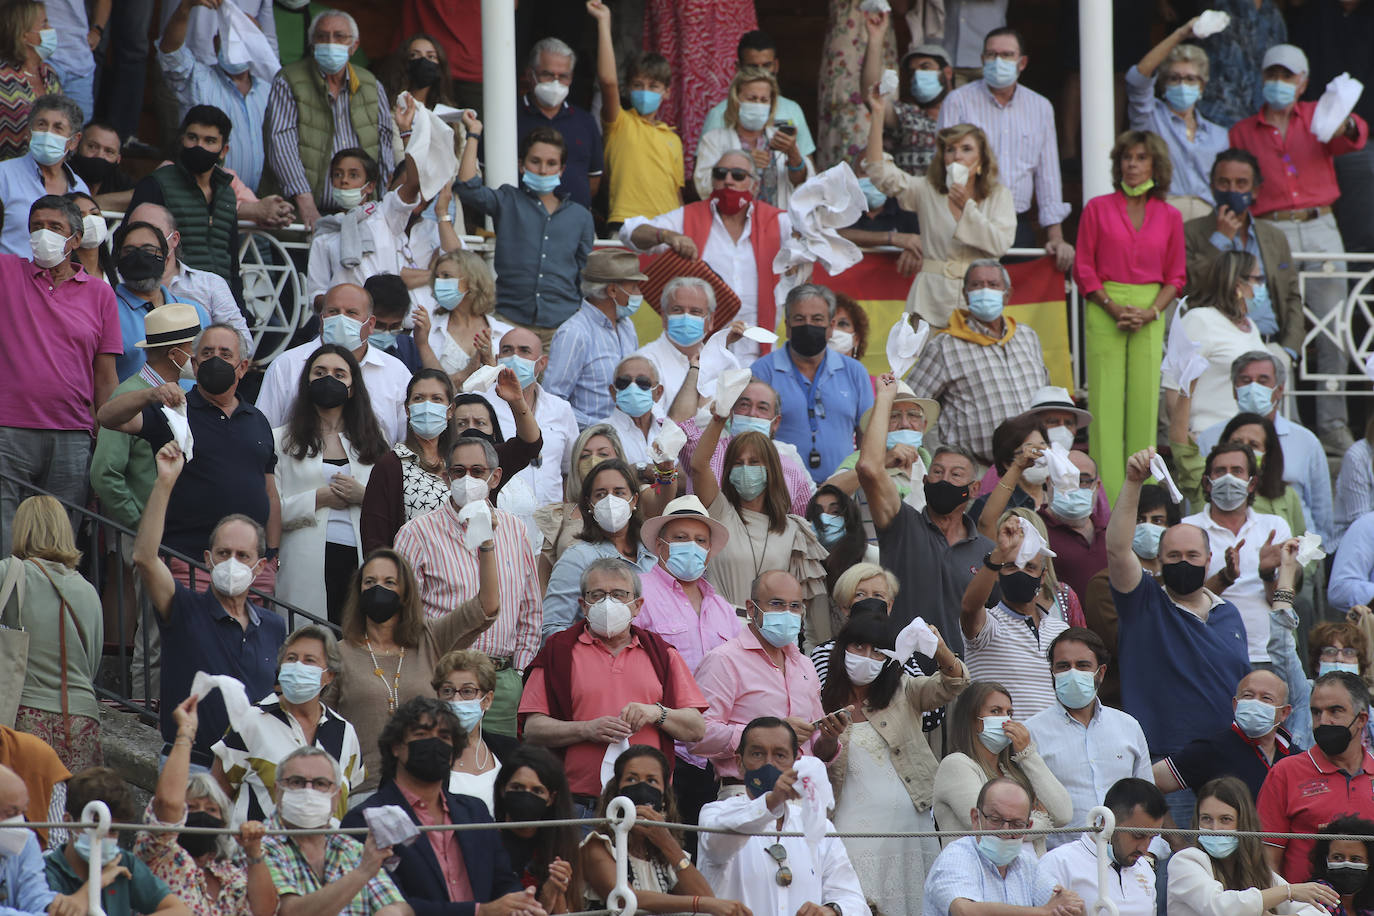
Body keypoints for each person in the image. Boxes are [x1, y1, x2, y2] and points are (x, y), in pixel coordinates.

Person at [1230, 42, 1368, 453]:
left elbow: (1355, 134)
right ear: (1262, 78)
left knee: (1334, 328)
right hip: (1269, 230)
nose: (1279, 82)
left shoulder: (1318, 115)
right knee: (1274, 324)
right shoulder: (1242, 130)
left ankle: (1332, 427)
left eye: (1287, 76)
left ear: (1302, 81)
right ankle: (1276, 424)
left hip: (1321, 223)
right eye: (1272, 74)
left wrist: (1341, 120)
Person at [132, 442, 286, 767]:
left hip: (250, 771)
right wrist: (164, 483)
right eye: (223, 553)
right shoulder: (184, 609)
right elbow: (145, 558)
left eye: (243, 556)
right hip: (191, 765)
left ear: (259, 567)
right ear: (208, 560)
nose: (232, 562)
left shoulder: (273, 626)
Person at [98, 323, 280, 595]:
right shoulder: (173, 411)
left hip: (248, 566)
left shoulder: (257, 420)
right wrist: (150, 394)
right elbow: (108, 417)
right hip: (184, 562)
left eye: (225, 354)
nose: (215, 360)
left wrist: (273, 555)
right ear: (194, 365)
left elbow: (269, 491)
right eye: (207, 353)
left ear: (242, 367)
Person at [520, 559, 706, 814]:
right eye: (597, 595)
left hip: (648, 804)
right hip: (576, 803)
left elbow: (696, 728)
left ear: (638, 605)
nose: (608, 603)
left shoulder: (661, 654)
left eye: (619, 595)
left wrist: (656, 713)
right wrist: (586, 729)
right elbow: (532, 729)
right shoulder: (557, 651)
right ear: (583, 606)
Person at [1108, 448, 1255, 764]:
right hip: (1166, 761)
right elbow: (1118, 550)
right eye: (1174, 557)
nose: (1183, 562)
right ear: (1159, 561)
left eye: (1192, 556)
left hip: (1227, 760)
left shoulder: (1228, 613)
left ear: (1208, 560)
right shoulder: (1144, 605)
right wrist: (1134, 481)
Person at [394, 435, 542, 738]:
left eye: (477, 471)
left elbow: (530, 610)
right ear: (447, 477)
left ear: (495, 476)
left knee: (498, 773)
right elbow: (403, 617)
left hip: (503, 684)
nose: (467, 479)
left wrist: (519, 673)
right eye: (459, 472)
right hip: (442, 681)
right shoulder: (417, 533)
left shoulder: (515, 529)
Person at [823, 610, 969, 914]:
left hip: (909, 824)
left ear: (890, 656)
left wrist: (939, 647)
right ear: (842, 649)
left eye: (877, 650)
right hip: (851, 827)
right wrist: (828, 737)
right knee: (857, 902)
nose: (867, 657)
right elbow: (818, 760)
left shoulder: (905, 689)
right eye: (858, 647)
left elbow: (953, 684)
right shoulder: (821, 699)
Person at [340, 698, 539, 916]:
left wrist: (520, 903)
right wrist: (479, 912)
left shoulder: (475, 811)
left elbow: (503, 880)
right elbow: (387, 903)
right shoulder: (365, 818)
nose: (434, 743)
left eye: (444, 737)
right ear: (396, 747)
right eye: (422, 734)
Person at [325, 548, 495, 800]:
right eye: (369, 582)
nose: (377, 589)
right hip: (365, 792)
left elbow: (487, 606)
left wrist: (486, 545)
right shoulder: (339, 654)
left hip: (428, 789)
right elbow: (321, 723)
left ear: (405, 593)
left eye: (389, 582)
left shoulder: (431, 638)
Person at [0, 192, 117, 553]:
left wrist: (107, 441)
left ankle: (48, 612)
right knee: (4, 549)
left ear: (76, 239)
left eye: (54, 227)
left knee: (57, 548)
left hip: (73, 434)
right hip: (9, 431)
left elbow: (105, 376)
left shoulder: (100, 294)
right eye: (36, 227)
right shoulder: (6, 274)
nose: (43, 234)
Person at [1074, 129, 1185, 500]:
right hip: (1106, 306)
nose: (1132, 164)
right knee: (1104, 401)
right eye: (1127, 158)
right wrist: (1110, 305)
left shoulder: (1169, 215)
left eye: (1140, 158)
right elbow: (1083, 266)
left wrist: (1152, 311)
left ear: (1156, 164)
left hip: (1150, 310)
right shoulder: (1097, 208)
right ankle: (1102, 495)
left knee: (1144, 400)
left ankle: (1144, 495)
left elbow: (1176, 275)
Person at [630, 494, 738, 833]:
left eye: (700, 540)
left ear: (709, 550)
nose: (691, 546)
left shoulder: (723, 608)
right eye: (680, 538)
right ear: (660, 546)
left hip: (713, 759)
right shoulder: (640, 593)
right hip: (663, 749)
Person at [857, 378, 992, 644]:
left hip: (964, 675)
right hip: (905, 673)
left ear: (974, 489)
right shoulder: (902, 525)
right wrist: (884, 397)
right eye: (938, 472)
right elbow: (869, 469)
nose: (944, 480)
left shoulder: (986, 551)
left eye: (956, 475)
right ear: (925, 480)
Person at [864, 91, 1015, 328]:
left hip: (979, 301)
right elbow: (878, 172)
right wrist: (878, 113)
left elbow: (1000, 244)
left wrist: (967, 208)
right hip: (929, 302)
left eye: (966, 149)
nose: (957, 157)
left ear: (981, 160)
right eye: (950, 150)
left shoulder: (999, 195)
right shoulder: (927, 189)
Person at [622, 151, 792, 362]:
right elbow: (630, 232)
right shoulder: (688, 217)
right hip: (699, 359)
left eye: (738, 175)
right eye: (720, 174)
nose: (728, 180)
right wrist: (666, 235)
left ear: (754, 185)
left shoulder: (777, 221)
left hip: (759, 358)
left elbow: (816, 234)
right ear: (712, 180)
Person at [697, 717, 870, 916]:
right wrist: (771, 801)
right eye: (757, 753)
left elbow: (853, 899)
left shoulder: (818, 826)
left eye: (780, 755)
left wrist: (831, 911)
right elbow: (717, 845)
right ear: (739, 763)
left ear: (795, 763)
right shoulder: (715, 812)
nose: (768, 764)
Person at [362, 369, 542, 553]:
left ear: (450, 411)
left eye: (436, 399)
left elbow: (529, 446)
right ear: (407, 409)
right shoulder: (391, 465)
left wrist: (517, 401)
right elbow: (375, 541)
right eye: (418, 398)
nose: (427, 406)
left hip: (476, 573)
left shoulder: (473, 458)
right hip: (416, 575)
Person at [272, 345, 388, 624]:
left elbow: (391, 505)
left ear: (352, 387)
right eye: (320, 372)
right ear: (307, 382)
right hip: (304, 560)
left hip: (361, 559)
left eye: (339, 374)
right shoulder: (280, 440)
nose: (329, 379)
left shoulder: (375, 438)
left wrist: (364, 496)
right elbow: (270, 513)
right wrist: (319, 498)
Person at [937, 28, 1074, 264]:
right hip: (964, 220)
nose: (998, 61)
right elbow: (941, 167)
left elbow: (1047, 175)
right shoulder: (958, 101)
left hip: (1017, 225)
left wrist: (1055, 236)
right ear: (982, 60)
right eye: (991, 55)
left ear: (1022, 63)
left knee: (1015, 298)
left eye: (1007, 55)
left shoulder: (1040, 107)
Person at [456, 115, 594, 341]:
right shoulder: (508, 200)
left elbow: (585, 274)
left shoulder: (580, 216)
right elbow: (466, 186)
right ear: (521, 165)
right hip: (509, 321)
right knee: (505, 377)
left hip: (563, 325)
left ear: (561, 170)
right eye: (535, 161)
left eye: (551, 164)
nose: (542, 170)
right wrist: (474, 133)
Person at [690, 572, 837, 784]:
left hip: (800, 795)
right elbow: (699, 736)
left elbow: (815, 744)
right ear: (751, 608)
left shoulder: (804, 664)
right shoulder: (723, 660)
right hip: (746, 793)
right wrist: (771, 734)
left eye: (795, 606)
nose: (788, 613)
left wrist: (829, 737)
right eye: (777, 604)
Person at [211, 625, 363, 821]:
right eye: (291, 659)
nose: (298, 666)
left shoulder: (344, 732)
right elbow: (216, 797)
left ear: (329, 675)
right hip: (259, 848)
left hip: (326, 849)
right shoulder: (251, 721)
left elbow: (344, 799)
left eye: (309, 660)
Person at [140, 696, 275, 916]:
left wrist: (254, 853)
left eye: (211, 810)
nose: (202, 814)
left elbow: (264, 911)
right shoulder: (160, 854)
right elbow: (168, 803)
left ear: (222, 820)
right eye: (191, 808)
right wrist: (186, 732)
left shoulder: (229, 874)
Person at [906, 260, 1049, 465]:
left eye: (993, 284)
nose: (985, 291)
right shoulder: (945, 345)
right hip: (977, 470)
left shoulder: (1028, 336)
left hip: (1033, 465)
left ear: (1007, 294)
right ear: (965, 294)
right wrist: (937, 456)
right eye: (976, 285)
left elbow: (1045, 397)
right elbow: (912, 403)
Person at [265, 10, 395, 229]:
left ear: (354, 46)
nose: (330, 42)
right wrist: (305, 203)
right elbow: (281, 143)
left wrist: (382, 206)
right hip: (305, 212)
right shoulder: (289, 80)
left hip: (362, 214)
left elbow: (385, 149)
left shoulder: (371, 84)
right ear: (312, 44)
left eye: (339, 36)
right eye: (322, 37)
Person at [1025, 628, 1152, 848]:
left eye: (1082, 665)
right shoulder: (1031, 733)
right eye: (1063, 666)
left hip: (1125, 858)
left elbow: (1149, 800)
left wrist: (1149, 854)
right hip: (1060, 862)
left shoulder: (1128, 726)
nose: (1072, 672)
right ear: (1052, 673)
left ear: (1100, 673)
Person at [1, 495, 103, 772]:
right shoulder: (88, 590)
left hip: (24, 713)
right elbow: (92, 660)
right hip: (81, 718)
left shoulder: (9, 573)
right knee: (72, 810)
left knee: (23, 809)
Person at [689, 418, 828, 614]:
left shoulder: (794, 529)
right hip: (721, 630)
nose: (746, 469)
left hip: (771, 634)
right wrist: (719, 418)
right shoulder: (719, 512)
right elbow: (699, 466)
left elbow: (809, 604)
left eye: (754, 462)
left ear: (771, 469)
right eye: (738, 463)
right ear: (728, 471)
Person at [1183, 149, 1306, 369]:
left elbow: (1291, 296)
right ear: (1212, 187)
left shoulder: (1273, 237)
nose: (1232, 190)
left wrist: (1289, 350)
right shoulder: (1190, 232)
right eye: (1224, 183)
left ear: (1255, 190)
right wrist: (1219, 240)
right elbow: (1192, 288)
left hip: (1270, 347)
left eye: (1241, 184)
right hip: (1217, 353)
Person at [1196, 351, 1333, 547]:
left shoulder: (1306, 441)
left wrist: (1311, 562)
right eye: (1245, 380)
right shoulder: (1209, 438)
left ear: (1279, 389)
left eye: (1263, 380)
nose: (1253, 388)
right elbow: (1197, 496)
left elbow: (1323, 514)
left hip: (1293, 554)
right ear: (1235, 390)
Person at [581, 746, 733, 914]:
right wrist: (698, 904)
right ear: (616, 792)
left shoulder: (663, 855)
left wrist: (667, 842)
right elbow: (624, 899)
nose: (642, 789)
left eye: (652, 781)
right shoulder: (597, 846)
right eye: (631, 779)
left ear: (663, 798)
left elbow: (706, 897)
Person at [257, 747, 409, 916]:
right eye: (296, 782)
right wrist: (362, 873)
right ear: (278, 791)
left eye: (320, 784)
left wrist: (392, 911)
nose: (308, 791)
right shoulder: (258, 847)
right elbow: (289, 911)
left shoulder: (351, 848)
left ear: (337, 797)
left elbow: (396, 905)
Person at [1180, 440, 1291, 666]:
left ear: (1252, 484)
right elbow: (1184, 603)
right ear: (1207, 483)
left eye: (1237, 471)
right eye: (1220, 471)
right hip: (1207, 653)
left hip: (1266, 654)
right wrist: (1225, 577)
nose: (1228, 478)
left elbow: (1283, 604)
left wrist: (1268, 574)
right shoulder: (1187, 529)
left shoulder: (1274, 526)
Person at [258, 284, 412, 445]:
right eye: (333, 312)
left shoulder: (396, 372)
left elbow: (405, 441)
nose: (341, 319)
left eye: (351, 313)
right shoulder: (286, 365)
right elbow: (264, 432)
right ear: (321, 318)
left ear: (371, 323)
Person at [750, 284, 874, 483]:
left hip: (843, 491)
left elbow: (868, 439)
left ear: (831, 327)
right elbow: (750, 438)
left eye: (817, 319)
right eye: (799, 319)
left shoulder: (855, 372)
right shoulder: (762, 371)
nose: (808, 326)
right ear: (788, 326)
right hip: (781, 489)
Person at [933, 681, 1073, 855]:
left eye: (1009, 713)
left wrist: (1028, 755)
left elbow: (1063, 814)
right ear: (972, 720)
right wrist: (1041, 821)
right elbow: (991, 827)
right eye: (995, 711)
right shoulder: (956, 765)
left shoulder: (1015, 769)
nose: (1006, 720)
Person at [1259, 672, 1374, 881]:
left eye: (1335, 711)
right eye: (1316, 712)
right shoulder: (1285, 773)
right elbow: (1267, 861)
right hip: (1304, 909)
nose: (1323, 721)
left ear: (1361, 719)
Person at [1169, 775, 1338, 916]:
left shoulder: (1256, 868)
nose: (1214, 829)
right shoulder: (1185, 861)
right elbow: (1220, 907)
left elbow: (1319, 913)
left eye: (1225, 820)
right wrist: (1288, 891)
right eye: (1206, 819)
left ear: (1244, 823)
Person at [157, 0, 275, 195]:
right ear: (215, 42)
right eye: (229, 35)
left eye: (244, 37)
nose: (236, 44)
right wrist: (185, 8)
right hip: (204, 199)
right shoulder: (198, 78)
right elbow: (170, 53)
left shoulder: (270, 90)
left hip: (256, 205)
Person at [960, 514, 1070, 718]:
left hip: (1050, 745)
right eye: (1011, 566)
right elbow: (969, 607)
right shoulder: (988, 626)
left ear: (1043, 576)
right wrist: (998, 555)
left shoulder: (1061, 632)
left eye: (1030, 567)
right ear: (998, 574)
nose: (1021, 573)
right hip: (1000, 746)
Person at [1079, 483, 1177, 706]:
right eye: (1139, 520)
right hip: (1123, 701)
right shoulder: (1103, 583)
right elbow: (1125, 642)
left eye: (1158, 521)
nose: (1147, 527)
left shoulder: (1181, 581)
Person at [43, 768, 190, 916]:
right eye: (95, 825)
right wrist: (96, 883)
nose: (104, 836)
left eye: (113, 830)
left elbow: (179, 911)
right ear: (68, 822)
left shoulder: (123, 862)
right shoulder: (44, 871)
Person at [923, 776, 1078, 916]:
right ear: (976, 818)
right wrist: (1042, 912)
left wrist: (1071, 905)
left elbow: (1069, 907)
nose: (1005, 831)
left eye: (1016, 824)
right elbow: (966, 911)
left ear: (1028, 826)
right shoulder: (957, 856)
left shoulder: (1026, 863)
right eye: (996, 820)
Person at [588, 1, 683, 226]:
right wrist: (604, 22)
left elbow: (677, 194)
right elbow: (608, 81)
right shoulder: (619, 122)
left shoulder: (673, 138)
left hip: (668, 228)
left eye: (653, 86)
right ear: (628, 89)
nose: (645, 91)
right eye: (638, 85)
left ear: (667, 92)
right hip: (626, 225)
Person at [127, 106, 241, 293]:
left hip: (221, 297)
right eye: (193, 138)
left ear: (223, 150)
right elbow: (132, 246)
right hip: (173, 296)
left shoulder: (227, 194)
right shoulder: (157, 184)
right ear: (182, 139)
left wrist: (239, 304)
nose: (199, 146)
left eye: (209, 141)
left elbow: (232, 263)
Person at [302, 140, 428, 309]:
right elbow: (316, 293)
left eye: (353, 175)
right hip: (345, 322)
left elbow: (413, 183)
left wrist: (406, 134)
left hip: (385, 315)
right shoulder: (325, 231)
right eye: (337, 175)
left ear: (370, 186)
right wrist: (345, 305)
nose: (344, 181)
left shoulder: (385, 214)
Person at [542, 459, 659, 639]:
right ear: (590, 504)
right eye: (601, 494)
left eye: (619, 492)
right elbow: (553, 628)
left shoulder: (652, 555)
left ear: (634, 499)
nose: (610, 500)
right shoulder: (577, 557)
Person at [672, 378, 815, 517]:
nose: (752, 413)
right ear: (732, 413)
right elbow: (676, 428)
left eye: (762, 408)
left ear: (775, 422)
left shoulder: (790, 466)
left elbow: (802, 521)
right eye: (744, 405)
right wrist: (694, 370)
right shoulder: (708, 449)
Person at [126, 202, 252, 358]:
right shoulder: (114, 286)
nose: (144, 238)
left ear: (174, 239)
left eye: (154, 232)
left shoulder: (210, 284)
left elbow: (243, 345)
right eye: (135, 230)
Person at [1152, 669, 1294, 807]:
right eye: (1248, 696)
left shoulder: (1296, 757)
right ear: (1235, 705)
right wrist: (1170, 830)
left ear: (1284, 712)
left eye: (1266, 698)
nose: (1255, 703)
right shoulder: (1210, 749)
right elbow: (1147, 782)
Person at [1126, 20, 1230, 201]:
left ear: (1202, 86)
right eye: (1174, 78)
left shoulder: (1219, 136)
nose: (1182, 84)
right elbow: (1137, 78)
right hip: (1163, 212)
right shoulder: (1150, 118)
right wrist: (1180, 34)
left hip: (1206, 217)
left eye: (1190, 79)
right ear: (1164, 84)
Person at [1171, 403, 1308, 539]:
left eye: (1253, 445)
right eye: (1237, 443)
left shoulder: (1286, 498)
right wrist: (1185, 391)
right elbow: (1181, 446)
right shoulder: (1207, 482)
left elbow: (1301, 549)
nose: (1244, 449)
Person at [1164, 251, 1267, 433]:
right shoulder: (1200, 320)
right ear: (1237, 284)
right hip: (1207, 436)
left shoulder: (1251, 326)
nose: (1262, 286)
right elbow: (1174, 387)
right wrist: (1185, 440)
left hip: (1248, 437)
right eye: (1257, 279)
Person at [541, 249, 644, 428]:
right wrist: (600, 428)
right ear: (612, 290)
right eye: (633, 287)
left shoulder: (627, 327)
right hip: (589, 445)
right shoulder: (574, 333)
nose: (638, 293)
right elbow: (552, 402)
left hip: (627, 438)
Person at [1036, 778, 1165, 916]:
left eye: (1152, 837)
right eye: (1137, 836)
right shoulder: (1059, 862)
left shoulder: (1144, 867)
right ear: (1106, 821)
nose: (1144, 849)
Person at [824, 381, 936, 536]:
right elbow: (824, 494)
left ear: (924, 425)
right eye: (894, 416)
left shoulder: (933, 465)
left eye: (913, 415)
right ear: (879, 425)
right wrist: (879, 462)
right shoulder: (860, 459)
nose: (904, 424)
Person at [694, 66, 814, 210]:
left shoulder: (780, 138)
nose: (758, 105)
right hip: (733, 226)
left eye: (764, 100)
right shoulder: (714, 140)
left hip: (776, 224)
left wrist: (793, 153)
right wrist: (742, 163)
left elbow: (804, 186)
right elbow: (703, 187)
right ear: (736, 99)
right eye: (752, 98)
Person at [486, 328, 578, 510]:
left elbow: (570, 470)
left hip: (551, 526)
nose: (515, 357)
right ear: (497, 360)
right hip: (501, 521)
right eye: (507, 350)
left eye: (524, 351)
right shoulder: (480, 403)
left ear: (541, 363)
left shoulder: (561, 409)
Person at [109, 221, 211, 383]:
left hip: (190, 407)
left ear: (166, 258)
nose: (139, 257)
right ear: (118, 259)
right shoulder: (106, 310)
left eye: (149, 250)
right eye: (129, 251)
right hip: (134, 406)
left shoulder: (194, 311)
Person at [702, 31, 816, 164]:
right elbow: (701, 177)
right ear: (738, 68)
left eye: (767, 65)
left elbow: (810, 174)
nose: (761, 72)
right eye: (753, 67)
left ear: (776, 66)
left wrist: (793, 155)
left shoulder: (792, 110)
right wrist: (740, 162)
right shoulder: (719, 114)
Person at [860, 12, 951, 176]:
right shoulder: (909, 116)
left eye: (925, 67)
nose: (917, 76)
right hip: (909, 200)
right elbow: (872, 94)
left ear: (948, 72)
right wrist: (875, 38)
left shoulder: (963, 116)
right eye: (912, 72)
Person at [493, 747, 583, 913]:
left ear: (551, 798)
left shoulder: (560, 847)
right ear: (502, 790)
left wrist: (554, 892)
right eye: (517, 788)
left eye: (537, 791)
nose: (526, 796)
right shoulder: (485, 842)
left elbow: (569, 908)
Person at [516, 38, 602, 210]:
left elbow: (593, 181)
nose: (556, 82)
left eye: (563, 76)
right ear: (530, 74)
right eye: (547, 74)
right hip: (521, 223)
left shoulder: (585, 121)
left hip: (574, 225)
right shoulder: (508, 118)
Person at [634, 277, 740, 415]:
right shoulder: (644, 363)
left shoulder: (726, 363)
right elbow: (654, 426)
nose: (685, 317)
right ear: (664, 317)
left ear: (711, 320)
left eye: (695, 311)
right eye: (677, 310)